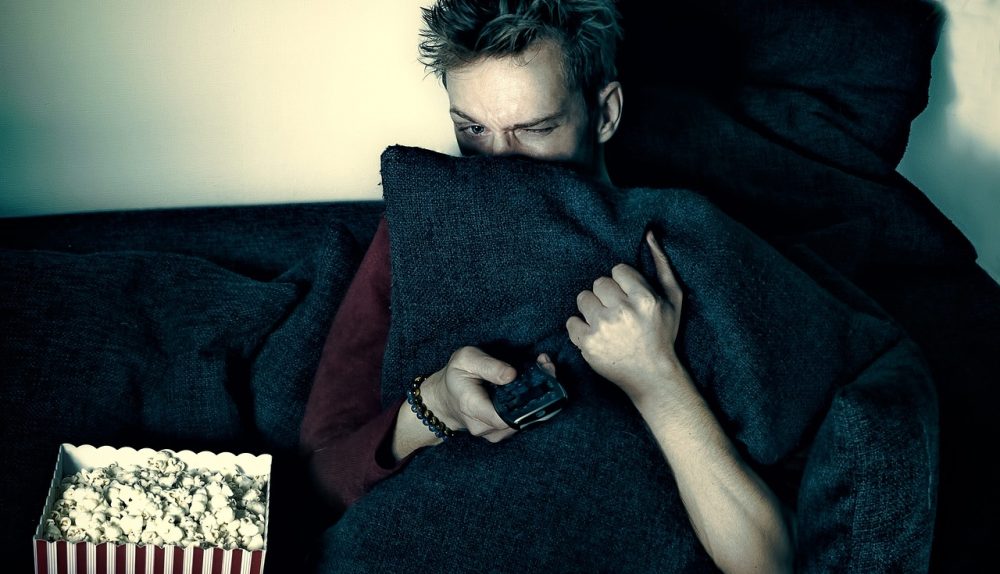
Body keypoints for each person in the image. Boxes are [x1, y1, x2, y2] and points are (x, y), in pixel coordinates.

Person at [299, 1, 792, 572]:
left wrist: (657, 378)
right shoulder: (420, 229)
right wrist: (434, 406)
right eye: (472, 129)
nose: (498, 165)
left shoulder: (683, 242)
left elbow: (768, 564)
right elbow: (314, 485)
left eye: (533, 130)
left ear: (604, 113)